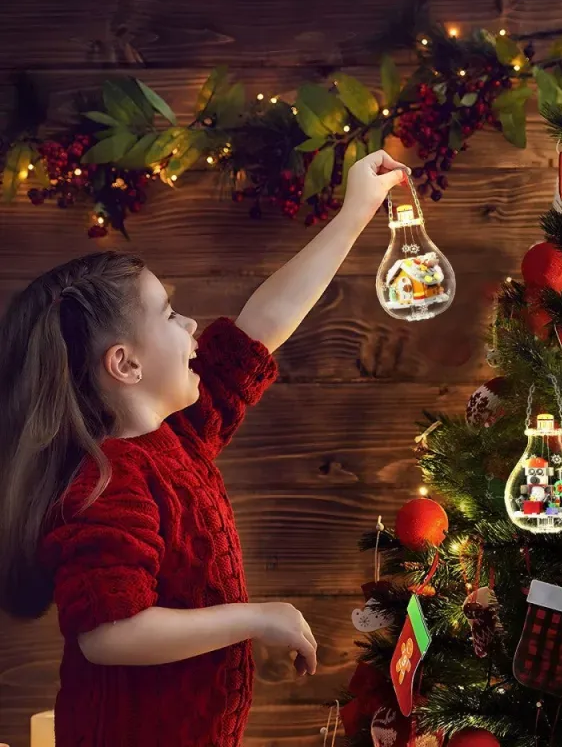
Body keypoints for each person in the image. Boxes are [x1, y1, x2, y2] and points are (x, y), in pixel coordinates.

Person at [0, 150, 410, 746]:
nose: (192, 327)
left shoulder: (180, 436)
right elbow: (110, 633)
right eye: (169, 314)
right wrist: (255, 616)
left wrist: (354, 213)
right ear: (125, 364)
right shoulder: (108, 481)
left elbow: (260, 329)